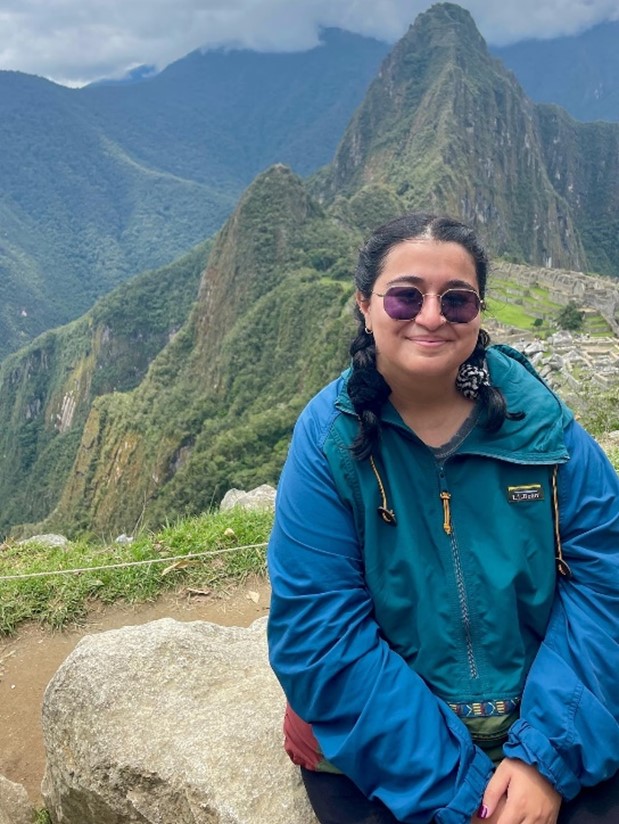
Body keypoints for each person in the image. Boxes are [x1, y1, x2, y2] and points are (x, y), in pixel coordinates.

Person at [266, 212, 619, 824]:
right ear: (365, 305)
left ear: (478, 312)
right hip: (382, 756)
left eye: (456, 301)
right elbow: (318, 635)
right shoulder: (330, 441)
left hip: (549, 726)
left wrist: (544, 760)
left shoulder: (543, 427)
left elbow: (608, 584)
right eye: (406, 296)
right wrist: (461, 798)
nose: (431, 316)